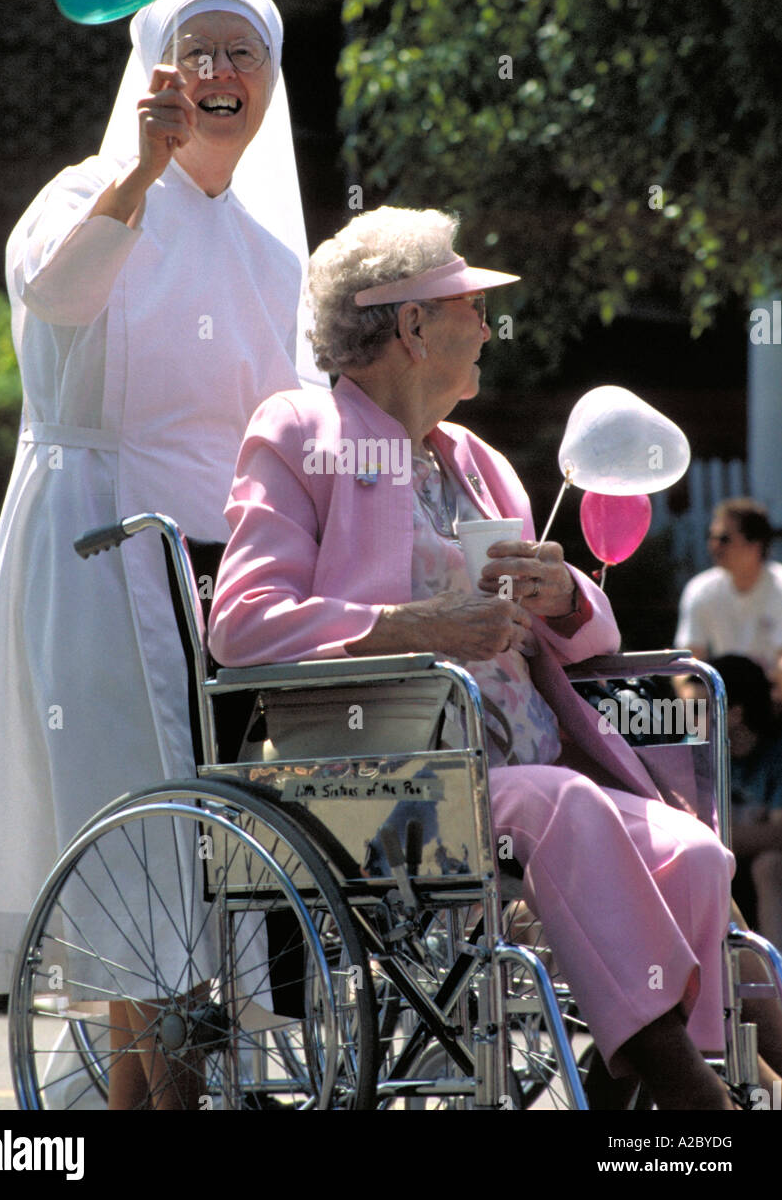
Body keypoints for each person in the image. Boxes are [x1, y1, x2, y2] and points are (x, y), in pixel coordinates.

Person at [210, 205, 741, 1110]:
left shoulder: (479, 463)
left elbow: (588, 646)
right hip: (379, 766)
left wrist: (563, 595)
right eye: (468, 303)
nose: (487, 326)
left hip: (516, 762)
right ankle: (691, 1100)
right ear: (411, 325)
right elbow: (245, 623)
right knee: (565, 802)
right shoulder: (300, 431)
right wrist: (421, 624)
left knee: (693, 853)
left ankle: (641, 1120)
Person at [0, 0, 322, 1093]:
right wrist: (138, 172)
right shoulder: (84, 187)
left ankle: (150, 1093)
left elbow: (290, 420)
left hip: (223, 573)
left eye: (243, 54)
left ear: (270, 78)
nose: (220, 75)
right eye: (197, 52)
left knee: (207, 859)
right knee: (135, 836)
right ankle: (153, 1087)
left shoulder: (274, 249)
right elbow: (60, 296)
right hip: (95, 545)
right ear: (156, 71)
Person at [684, 656, 782, 951]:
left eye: (697, 709)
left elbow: (777, 834)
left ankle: (774, 982)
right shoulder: (693, 748)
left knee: (770, 865)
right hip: (723, 858)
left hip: (760, 864)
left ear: (734, 713)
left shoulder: (775, 755)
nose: (685, 717)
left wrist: (712, 839)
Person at [675, 498, 782, 679]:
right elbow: (688, 660)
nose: (713, 545)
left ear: (754, 545)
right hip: (722, 697)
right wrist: (692, 694)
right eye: (711, 537)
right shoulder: (701, 589)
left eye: (723, 539)